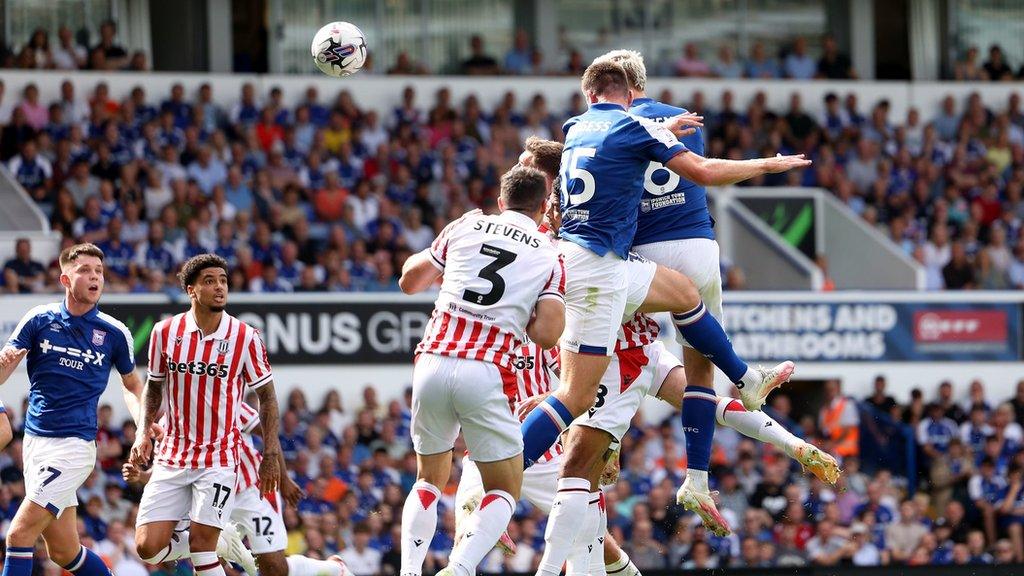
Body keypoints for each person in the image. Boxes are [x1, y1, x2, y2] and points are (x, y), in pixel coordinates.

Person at [517, 57, 806, 536]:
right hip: (603, 267)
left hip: (578, 258)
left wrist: (661, 128)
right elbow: (706, 172)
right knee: (573, 397)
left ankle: (745, 377)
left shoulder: (574, 128)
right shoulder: (630, 127)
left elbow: (617, 139)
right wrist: (768, 164)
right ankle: (505, 469)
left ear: (589, 95)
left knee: (684, 296)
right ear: (630, 93)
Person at [397, 166, 565, 576]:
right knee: (505, 486)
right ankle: (459, 568)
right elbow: (547, 334)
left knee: (429, 479)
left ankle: (409, 570)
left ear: (500, 202)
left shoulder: (465, 227)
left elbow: (409, 281)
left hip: (433, 359)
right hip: (486, 369)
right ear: (545, 208)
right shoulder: (549, 254)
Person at [130, 254, 284, 576]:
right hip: (172, 456)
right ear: (191, 290)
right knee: (148, 547)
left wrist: (270, 453)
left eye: (223, 281)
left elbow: (267, 399)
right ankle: (224, 541)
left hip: (219, 460)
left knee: (202, 546)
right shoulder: (164, 332)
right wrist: (143, 432)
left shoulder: (245, 336)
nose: (219, 287)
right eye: (209, 281)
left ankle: (215, 540)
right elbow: (154, 387)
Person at [0, 243, 142, 576]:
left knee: (19, 534)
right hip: (36, 445)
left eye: (99, 272)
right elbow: (5, 368)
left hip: (74, 448)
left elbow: (134, 386)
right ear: (65, 278)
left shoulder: (113, 332)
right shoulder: (39, 319)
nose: (95, 277)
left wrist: (144, 427)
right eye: (85, 270)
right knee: (65, 552)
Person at [122, 401, 352, 576]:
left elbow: (268, 435)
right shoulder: (167, 424)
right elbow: (168, 468)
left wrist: (283, 478)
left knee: (273, 568)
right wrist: (142, 476)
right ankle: (222, 547)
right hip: (209, 495)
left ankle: (334, 569)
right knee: (203, 555)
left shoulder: (229, 403)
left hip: (252, 492)